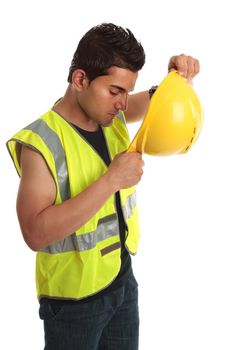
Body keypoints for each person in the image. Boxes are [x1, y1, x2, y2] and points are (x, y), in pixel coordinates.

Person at [7, 23, 200, 350]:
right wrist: (111, 180)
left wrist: (174, 78)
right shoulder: (41, 144)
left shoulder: (111, 115)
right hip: (73, 304)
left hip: (122, 283)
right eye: (115, 91)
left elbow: (155, 103)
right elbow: (35, 233)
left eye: (127, 92)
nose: (124, 103)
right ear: (80, 80)